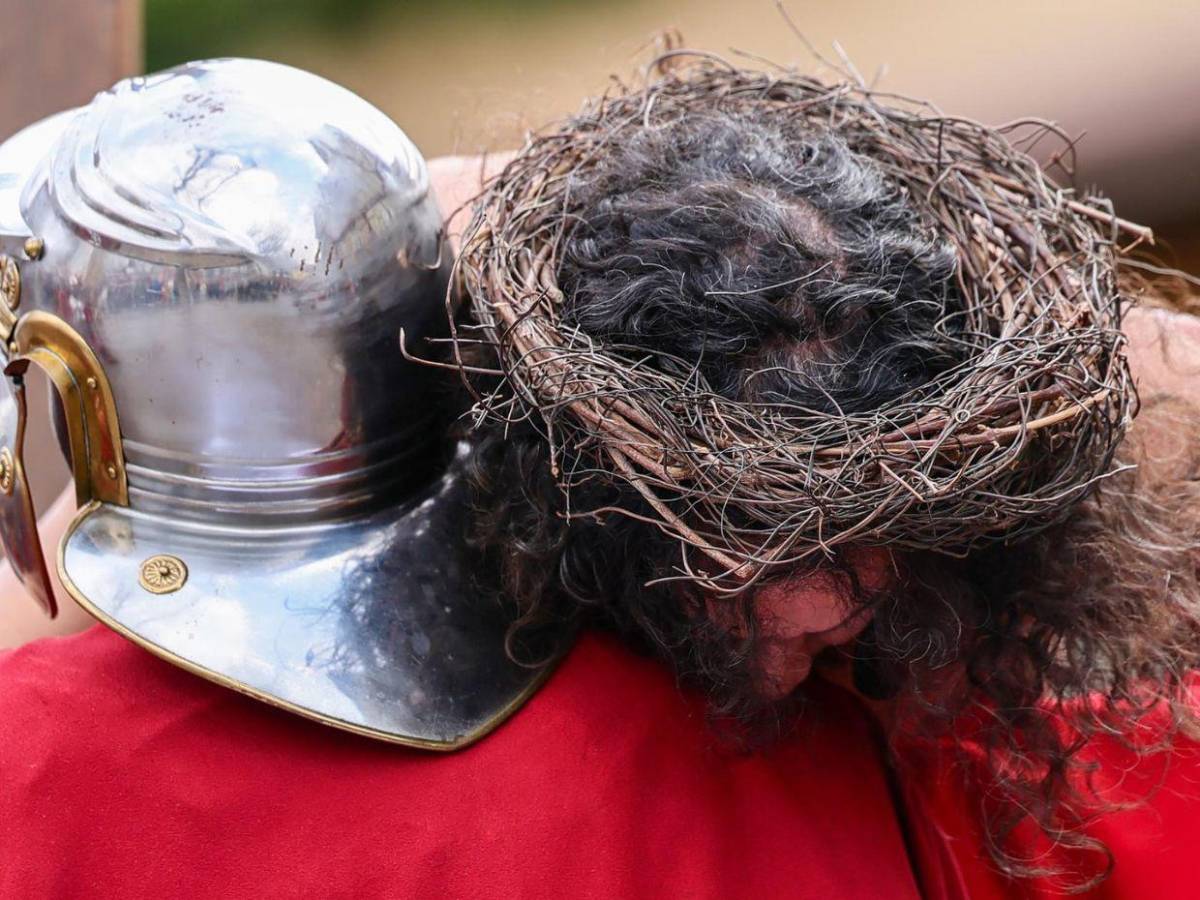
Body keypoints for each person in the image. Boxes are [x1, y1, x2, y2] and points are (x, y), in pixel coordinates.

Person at [4, 62, 1200, 900]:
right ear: (605, 474)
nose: (847, 595)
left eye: (880, 514)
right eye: (763, 526)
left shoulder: (46, 762)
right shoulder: (990, 779)